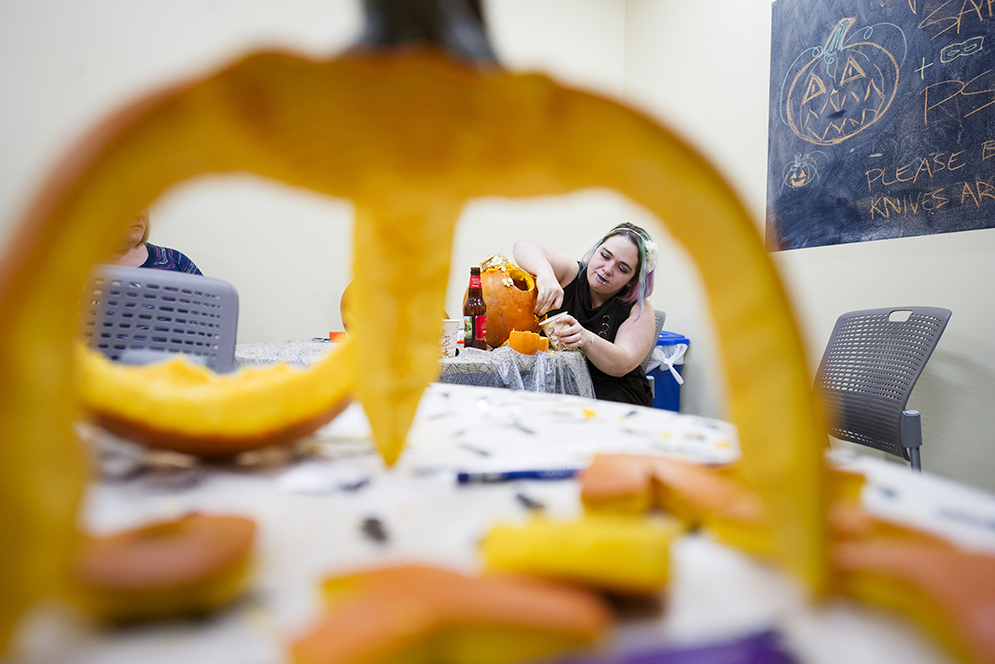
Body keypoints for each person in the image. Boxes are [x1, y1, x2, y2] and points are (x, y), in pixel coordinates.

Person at [513, 222, 658, 406]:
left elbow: (623, 364)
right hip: (552, 384)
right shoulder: (570, 273)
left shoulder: (638, 309)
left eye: (622, 269)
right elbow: (523, 247)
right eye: (605, 255)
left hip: (611, 394)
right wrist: (545, 274)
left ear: (632, 280)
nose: (607, 269)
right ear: (595, 251)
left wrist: (586, 339)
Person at [110, 209, 203, 275]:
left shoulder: (175, 260)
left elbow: (207, 296)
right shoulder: (99, 270)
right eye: (129, 205)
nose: (140, 214)